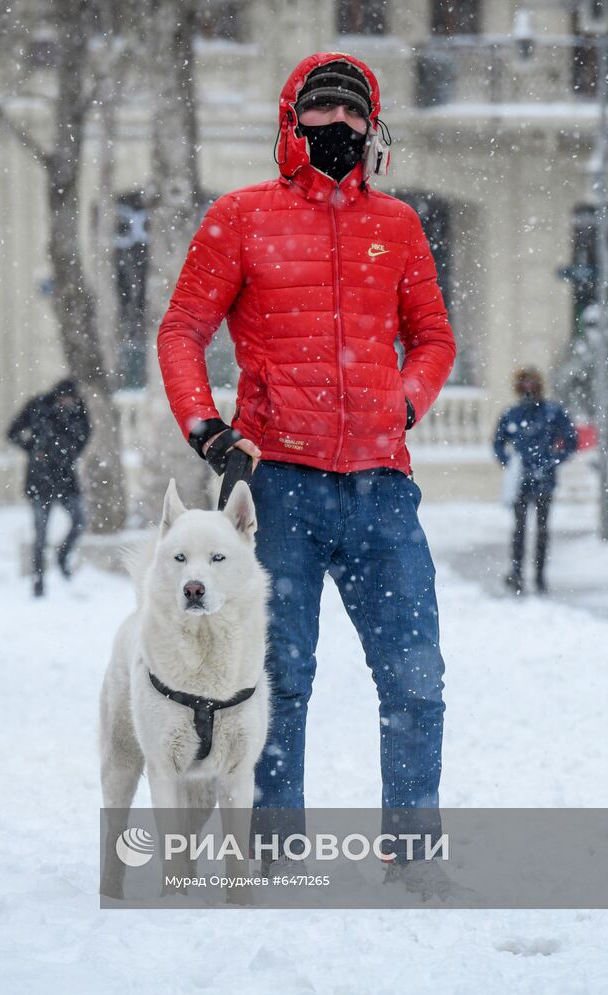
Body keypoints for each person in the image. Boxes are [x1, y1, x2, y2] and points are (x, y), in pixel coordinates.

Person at [157, 53, 456, 895]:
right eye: (321, 113)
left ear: (373, 126)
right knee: (279, 681)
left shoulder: (396, 224)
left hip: (381, 490)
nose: (338, 127)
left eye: (353, 115)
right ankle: (275, 850)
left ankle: (414, 859)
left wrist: (402, 403)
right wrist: (207, 429)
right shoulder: (240, 217)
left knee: (415, 679)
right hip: (276, 487)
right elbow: (181, 330)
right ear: (292, 124)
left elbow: (433, 337)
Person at [493, 367, 577, 595]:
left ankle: (539, 576)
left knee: (542, 530)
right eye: (525, 382)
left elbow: (571, 440)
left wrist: (552, 461)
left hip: (544, 479)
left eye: (531, 382)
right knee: (519, 529)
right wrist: (510, 462)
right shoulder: (513, 413)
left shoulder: (552, 411)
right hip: (521, 481)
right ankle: (517, 573)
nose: (528, 387)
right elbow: (498, 442)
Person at [7, 379, 90, 597]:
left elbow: (85, 436)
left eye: (71, 399)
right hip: (40, 479)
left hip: (66, 479)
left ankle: (62, 556)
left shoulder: (78, 411)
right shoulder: (37, 406)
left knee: (80, 520)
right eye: (65, 398)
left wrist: (69, 454)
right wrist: (33, 449)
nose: (68, 403)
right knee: (40, 533)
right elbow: (13, 432)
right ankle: (38, 581)